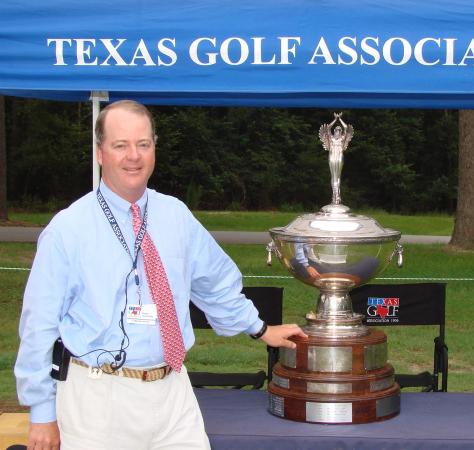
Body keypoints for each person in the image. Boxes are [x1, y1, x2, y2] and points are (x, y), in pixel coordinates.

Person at [14, 100, 307, 450]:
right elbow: (38, 325)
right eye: (120, 145)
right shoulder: (68, 230)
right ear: (100, 153)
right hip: (97, 401)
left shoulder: (175, 216)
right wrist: (41, 412)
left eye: (143, 144)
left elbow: (215, 284)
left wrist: (260, 329)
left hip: (173, 394)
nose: (133, 156)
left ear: (154, 148)